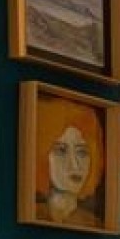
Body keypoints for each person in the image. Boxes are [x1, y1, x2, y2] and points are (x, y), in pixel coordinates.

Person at [35, 97, 102, 227]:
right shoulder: (34, 214)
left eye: (82, 152)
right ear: (42, 156)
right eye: (61, 150)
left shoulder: (94, 224)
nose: (75, 165)